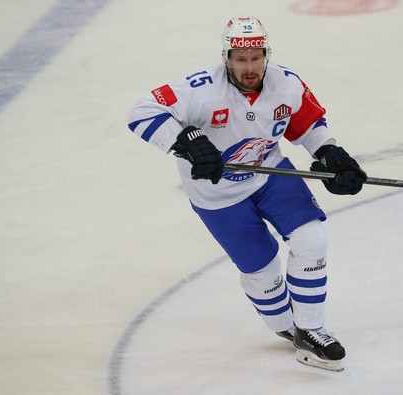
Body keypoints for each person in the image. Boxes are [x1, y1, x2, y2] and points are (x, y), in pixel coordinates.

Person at [127, 17, 366, 372]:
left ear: (265, 55)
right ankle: (289, 329)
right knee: (263, 273)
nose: (249, 67)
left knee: (312, 239)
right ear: (227, 58)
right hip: (216, 196)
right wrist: (186, 141)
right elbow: (142, 111)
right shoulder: (201, 89)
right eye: (241, 59)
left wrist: (332, 155)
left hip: (270, 174)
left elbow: (309, 125)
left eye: (256, 58)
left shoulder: (287, 83)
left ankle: (312, 328)